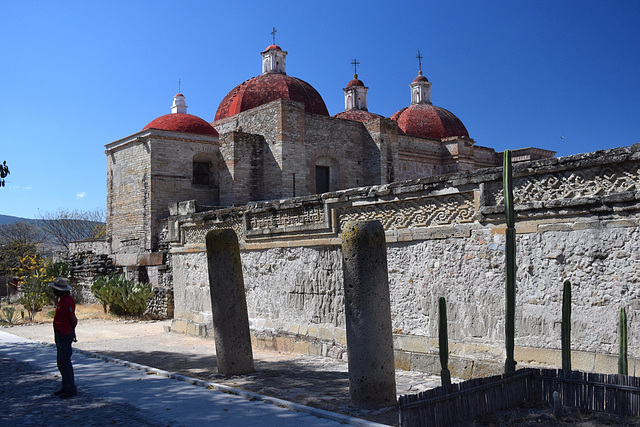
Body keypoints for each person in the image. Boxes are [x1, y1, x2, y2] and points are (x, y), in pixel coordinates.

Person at [50, 277, 78, 398]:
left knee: (65, 361)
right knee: (61, 361)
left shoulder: (67, 301)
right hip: (60, 333)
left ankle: (70, 387)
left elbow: (73, 319)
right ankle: (65, 385)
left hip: (65, 333)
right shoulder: (62, 300)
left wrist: (72, 332)